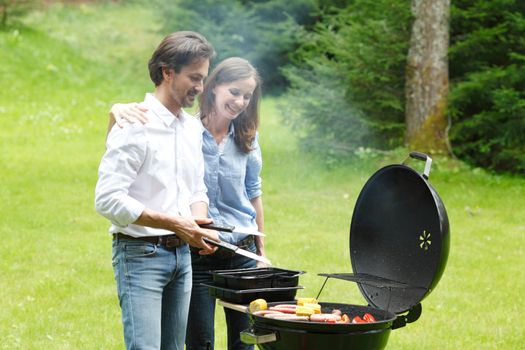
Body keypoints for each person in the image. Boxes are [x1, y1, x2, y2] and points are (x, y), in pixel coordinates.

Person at [108, 57, 265, 350]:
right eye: (235, 92)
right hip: (198, 252)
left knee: (244, 344)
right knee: (198, 343)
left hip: (241, 250)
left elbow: (253, 193)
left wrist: (261, 251)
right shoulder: (187, 130)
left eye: (247, 96)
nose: (241, 101)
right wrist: (114, 112)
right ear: (214, 87)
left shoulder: (248, 140)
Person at [94, 31, 220, 350]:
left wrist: (199, 224)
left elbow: (195, 188)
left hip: (183, 256)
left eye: (203, 79)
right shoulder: (134, 124)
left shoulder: (192, 129)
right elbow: (107, 199)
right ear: (167, 72)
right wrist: (175, 223)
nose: (200, 88)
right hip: (140, 255)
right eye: (194, 77)